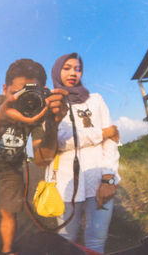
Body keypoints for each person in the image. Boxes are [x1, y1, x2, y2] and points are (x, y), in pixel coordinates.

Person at [0, 58, 68, 255]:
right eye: (17, 94)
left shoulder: (38, 110)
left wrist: (53, 124)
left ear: (43, 92)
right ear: (5, 89)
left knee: (9, 213)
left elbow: (41, 160)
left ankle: (7, 251)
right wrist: (0, 118)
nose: (25, 101)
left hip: (12, 169)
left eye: (31, 94)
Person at [45, 52, 120, 254]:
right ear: (57, 71)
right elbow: (61, 141)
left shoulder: (96, 100)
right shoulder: (52, 103)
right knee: (66, 241)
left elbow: (112, 142)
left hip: (99, 181)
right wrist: (102, 133)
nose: (73, 73)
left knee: (96, 240)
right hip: (65, 184)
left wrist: (108, 180)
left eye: (77, 68)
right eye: (67, 67)